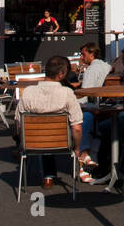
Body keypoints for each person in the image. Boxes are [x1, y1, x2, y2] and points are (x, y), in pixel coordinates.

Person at [16, 55, 82, 189]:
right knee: (52, 132)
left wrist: (21, 141)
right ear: (61, 74)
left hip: (32, 142)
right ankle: (50, 175)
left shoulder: (28, 92)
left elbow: (18, 123)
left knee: (43, 132)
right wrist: (77, 148)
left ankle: (47, 175)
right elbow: (77, 128)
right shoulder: (67, 93)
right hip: (60, 141)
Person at [75, 41, 111, 179]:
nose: (81, 57)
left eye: (83, 54)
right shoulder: (106, 66)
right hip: (103, 104)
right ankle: (90, 155)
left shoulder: (91, 69)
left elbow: (85, 93)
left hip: (94, 105)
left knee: (83, 117)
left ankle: (83, 154)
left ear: (92, 54)